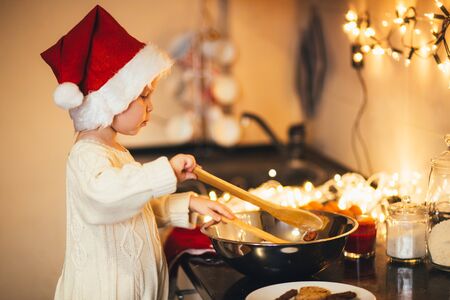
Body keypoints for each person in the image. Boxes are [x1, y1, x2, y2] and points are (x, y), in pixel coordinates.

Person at [41, 5, 234, 300]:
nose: (151, 106)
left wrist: (189, 203)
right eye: (143, 96)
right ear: (110, 102)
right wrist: (165, 171)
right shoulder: (86, 155)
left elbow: (133, 210)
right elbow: (106, 197)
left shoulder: (114, 150)